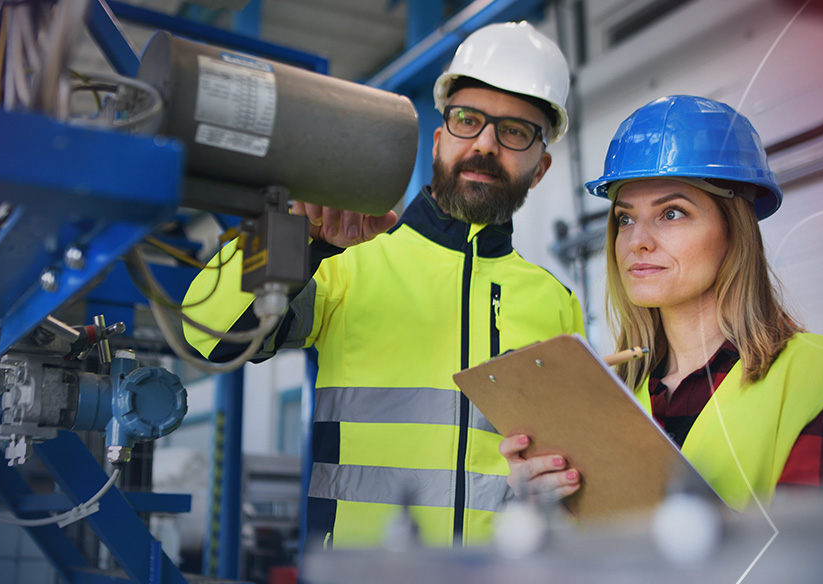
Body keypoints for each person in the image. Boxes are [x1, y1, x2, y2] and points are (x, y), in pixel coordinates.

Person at [182, 22, 585, 547]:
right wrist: (294, 238)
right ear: (440, 141)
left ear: (541, 168)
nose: (485, 144)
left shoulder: (557, 305)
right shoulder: (348, 258)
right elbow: (205, 334)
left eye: (514, 131)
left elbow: (567, 470)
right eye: (468, 120)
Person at [500, 95, 823, 511]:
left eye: (672, 213)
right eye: (626, 218)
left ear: (734, 229)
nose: (637, 240)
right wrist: (549, 509)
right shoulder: (609, 399)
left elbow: (816, 565)